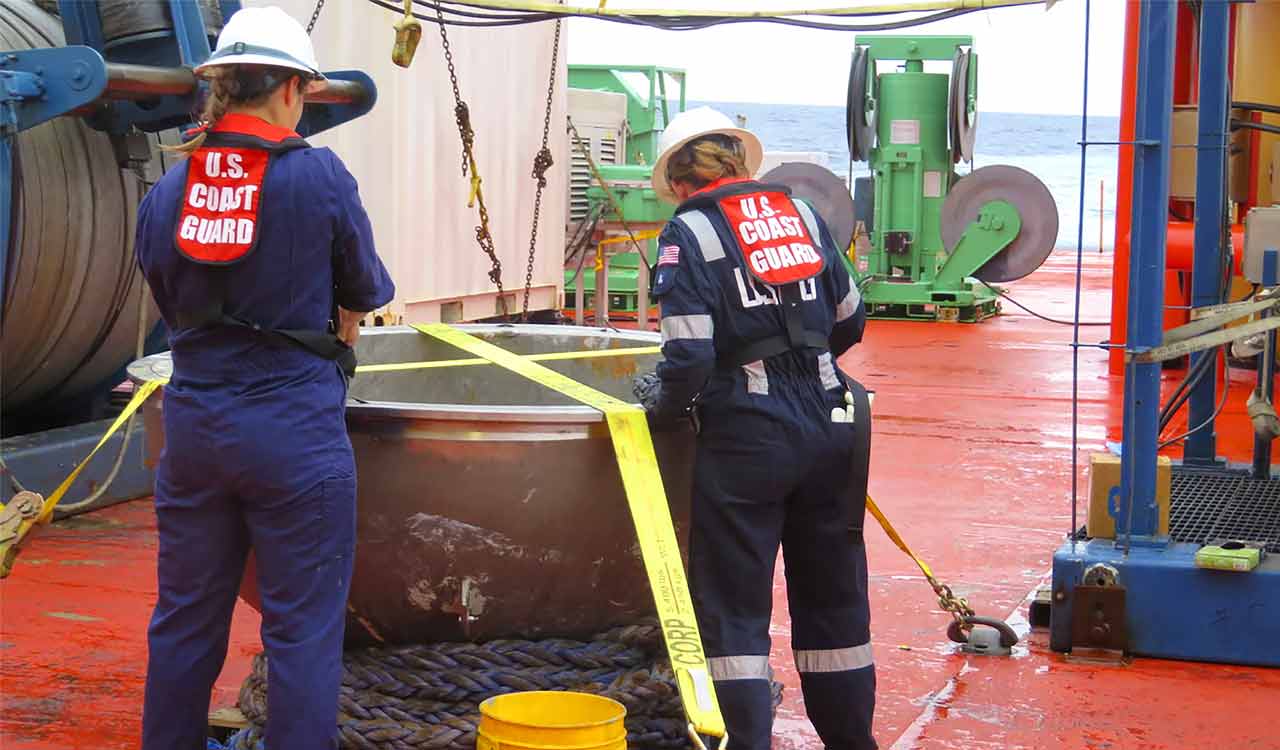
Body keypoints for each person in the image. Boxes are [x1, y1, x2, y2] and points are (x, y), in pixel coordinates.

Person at [133, 7, 394, 749]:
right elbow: (365, 291)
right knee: (302, 632)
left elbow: (166, 295)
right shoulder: (318, 177)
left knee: (184, 619)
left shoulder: (168, 189)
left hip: (194, 432)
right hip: (295, 434)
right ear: (290, 89)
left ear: (221, 87)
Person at [634, 107, 875, 750]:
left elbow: (688, 356)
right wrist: (804, 366)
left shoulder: (689, 231)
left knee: (735, 611)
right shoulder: (802, 215)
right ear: (740, 161)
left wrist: (660, 416)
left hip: (749, 437)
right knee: (835, 603)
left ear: (679, 181)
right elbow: (851, 320)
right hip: (834, 426)